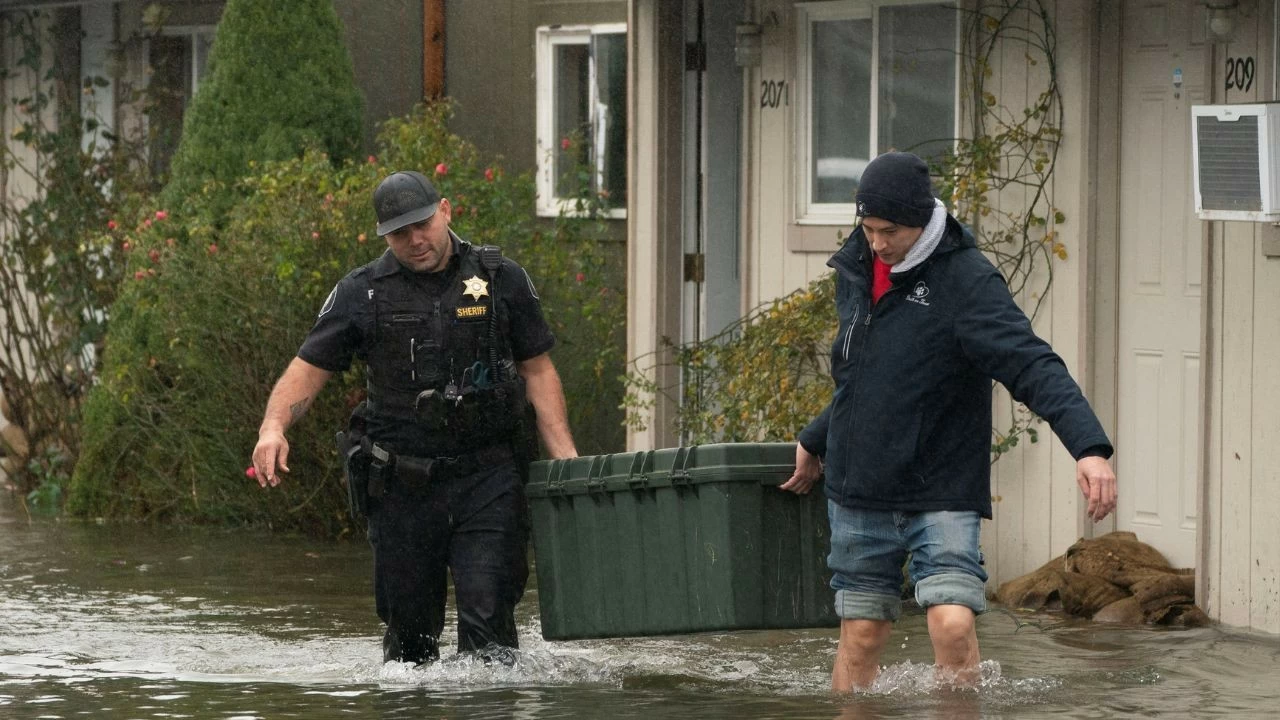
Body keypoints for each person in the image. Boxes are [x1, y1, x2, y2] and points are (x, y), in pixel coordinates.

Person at [780, 152, 1117, 691]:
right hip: (860, 483)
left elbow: (1031, 362)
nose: (877, 243)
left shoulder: (966, 281)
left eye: (890, 230)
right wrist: (816, 438)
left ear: (923, 219)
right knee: (862, 634)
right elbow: (867, 375)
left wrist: (1088, 447)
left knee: (952, 624)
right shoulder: (857, 269)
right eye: (867, 229)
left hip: (940, 484)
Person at [251, 169, 578, 665]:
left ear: (445, 210)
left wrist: (566, 460)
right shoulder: (361, 293)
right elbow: (308, 370)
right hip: (401, 487)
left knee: (488, 630)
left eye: (423, 224)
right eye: (400, 232)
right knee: (410, 647)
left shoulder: (499, 278)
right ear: (384, 235)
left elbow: (538, 370)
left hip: (488, 479)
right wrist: (273, 427)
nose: (415, 240)